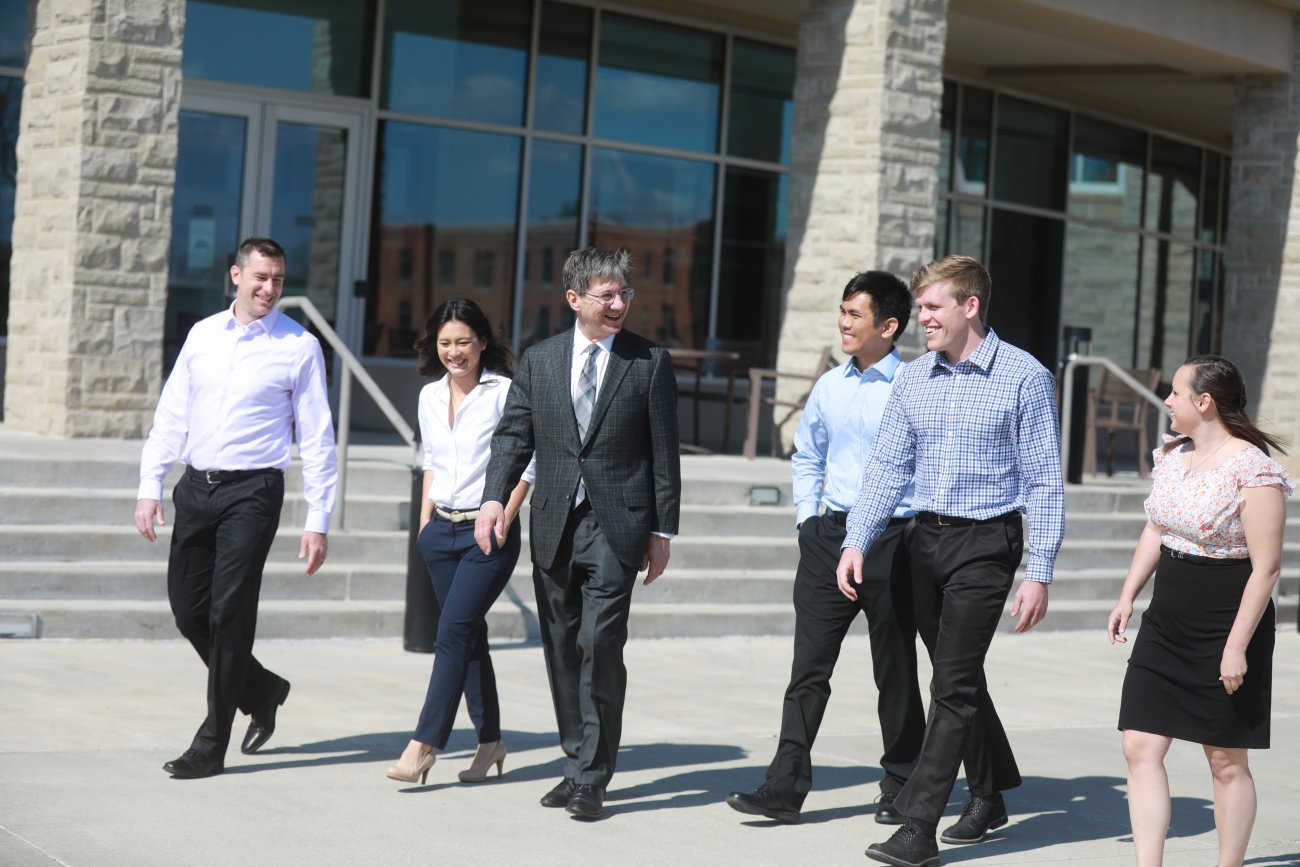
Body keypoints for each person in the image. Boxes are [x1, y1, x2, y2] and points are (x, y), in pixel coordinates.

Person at [837, 255, 1064, 867]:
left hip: (987, 544)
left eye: (933, 307)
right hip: (922, 542)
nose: (923, 319)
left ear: (970, 307)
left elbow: (1043, 480)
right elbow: (887, 465)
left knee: (953, 684)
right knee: (958, 676)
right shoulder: (914, 378)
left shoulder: (1024, 377)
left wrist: (1038, 569)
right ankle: (990, 791)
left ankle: (917, 827)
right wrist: (858, 538)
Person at [475, 246, 681, 821]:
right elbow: (514, 437)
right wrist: (495, 498)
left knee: (600, 645)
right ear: (574, 299)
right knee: (563, 648)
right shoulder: (540, 361)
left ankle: (594, 775)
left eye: (624, 295)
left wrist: (662, 530)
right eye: (607, 295)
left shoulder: (649, 361)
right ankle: (575, 759)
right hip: (555, 523)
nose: (619, 304)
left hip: (619, 526)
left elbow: (665, 453)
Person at [725, 271, 926, 825]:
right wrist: (807, 522)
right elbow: (807, 453)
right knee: (808, 669)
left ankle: (901, 785)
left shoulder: (914, 386)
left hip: (892, 540)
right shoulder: (829, 386)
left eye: (854, 313)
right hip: (828, 538)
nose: (843, 321)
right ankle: (784, 788)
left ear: (888, 326)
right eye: (841, 310)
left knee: (896, 670)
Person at [135, 237, 337, 779]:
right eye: (261, 278)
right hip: (195, 488)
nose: (270, 289)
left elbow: (317, 439)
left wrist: (319, 520)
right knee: (188, 611)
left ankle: (210, 744)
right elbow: (172, 412)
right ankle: (262, 688)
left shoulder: (299, 346)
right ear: (235, 276)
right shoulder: (202, 335)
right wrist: (149, 485)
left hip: (253, 493)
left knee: (229, 615)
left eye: (278, 279)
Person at [1107, 355, 1290, 867]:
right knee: (1139, 745)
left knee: (1226, 760)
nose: (1166, 400)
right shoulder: (1169, 455)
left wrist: (1235, 647)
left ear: (1203, 403)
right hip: (1166, 617)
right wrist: (1127, 595)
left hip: (1227, 619)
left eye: (1175, 392)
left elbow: (1267, 568)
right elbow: (1155, 529)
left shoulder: (1253, 469)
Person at [385, 299, 535, 786]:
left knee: (450, 634)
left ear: (483, 343)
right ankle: (490, 741)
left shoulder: (504, 392)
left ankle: (423, 744)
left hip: (485, 535)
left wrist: (504, 519)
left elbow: (527, 463)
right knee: (469, 637)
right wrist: (424, 524)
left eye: (464, 342)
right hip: (440, 534)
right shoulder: (429, 396)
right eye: (446, 343)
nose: (455, 352)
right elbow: (430, 460)